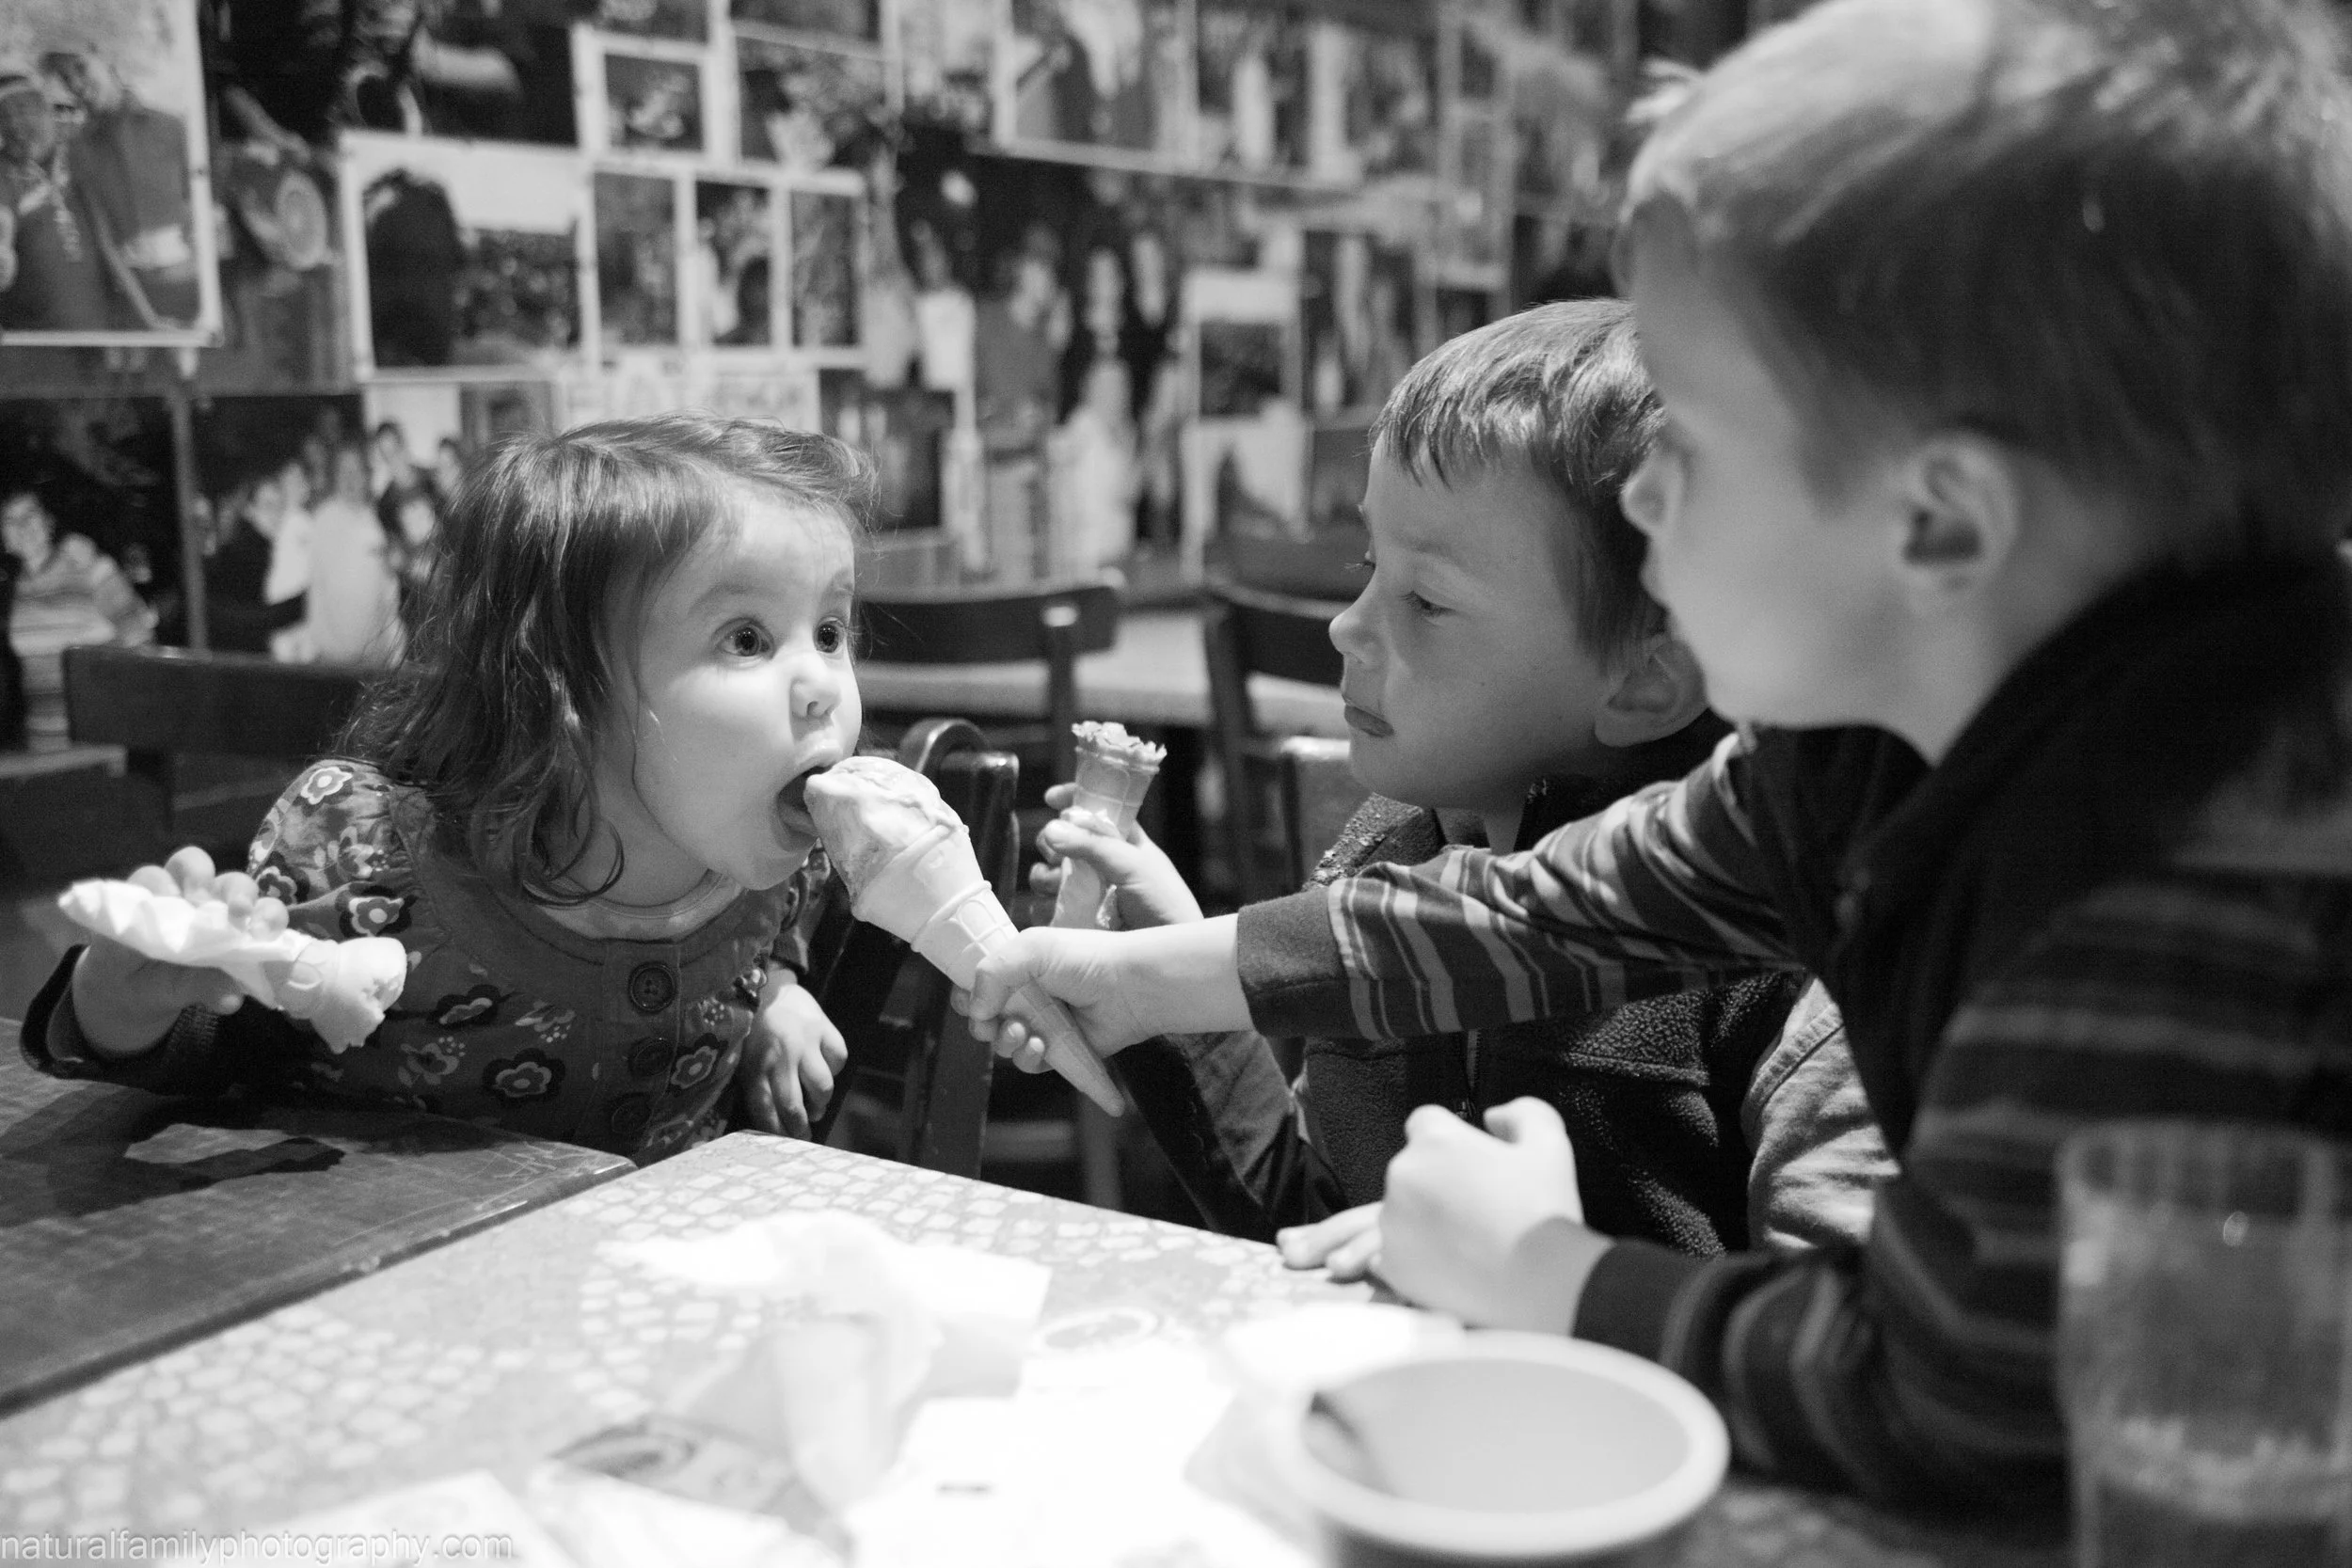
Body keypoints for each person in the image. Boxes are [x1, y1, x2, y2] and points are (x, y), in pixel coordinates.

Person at [967, 0, 2352, 1507]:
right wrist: (1171, 972)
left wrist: (1547, 1271)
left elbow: (1954, 1396)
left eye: (1689, 432)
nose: (1639, 501)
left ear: (1940, 521)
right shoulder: (1862, 752)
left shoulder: (2172, 858)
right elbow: (1545, 911)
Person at [1032, 302, 1886, 1258]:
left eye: (1425, 600)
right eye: (1368, 565)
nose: (1346, 628)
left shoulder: (1773, 953)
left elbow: (1826, 1345)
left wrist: (1547, 1278)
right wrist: (1168, 977)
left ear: (1646, 679)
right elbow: (1304, 1216)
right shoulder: (1383, 849)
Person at [21, 415, 866, 1159]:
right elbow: (221, 1058)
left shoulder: (778, 856)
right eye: (748, 637)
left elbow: (778, 936)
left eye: (829, 630)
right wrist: (121, 1001)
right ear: (562, 686)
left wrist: (778, 995)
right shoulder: (371, 864)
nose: (822, 682)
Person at [40, 50, 199, 327]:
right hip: (139, 297)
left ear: (108, 62)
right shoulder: (80, 151)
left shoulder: (170, 126)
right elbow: (106, 242)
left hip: (195, 282)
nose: (78, 83)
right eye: (68, 79)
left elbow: (202, 209)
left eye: (81, 67)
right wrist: (149, 318)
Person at [1, 489, 156, 751]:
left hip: (97, 742)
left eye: (30, 514)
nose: (23, 525)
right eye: (10, 520)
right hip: (43, 742)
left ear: (48, 522)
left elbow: (143, 643)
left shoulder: (88, 565)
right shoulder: (18, 588)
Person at [0, 72, 119, 332]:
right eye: (4, 116)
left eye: (22, 110)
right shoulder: (4, 172)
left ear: (44, 110)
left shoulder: (77, 155)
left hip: (101, 326)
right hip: (36, 340)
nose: (14, 124)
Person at [302, 444, 403, 666]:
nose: (350, 478)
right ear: (334, 477)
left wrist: (395, 649)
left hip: (377, 659)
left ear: (366, 476)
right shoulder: (323, 520)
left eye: (356, 470)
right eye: (343, 471)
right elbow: (314, 587)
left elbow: (389, 590)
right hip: (333, 662)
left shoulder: (377, 522)